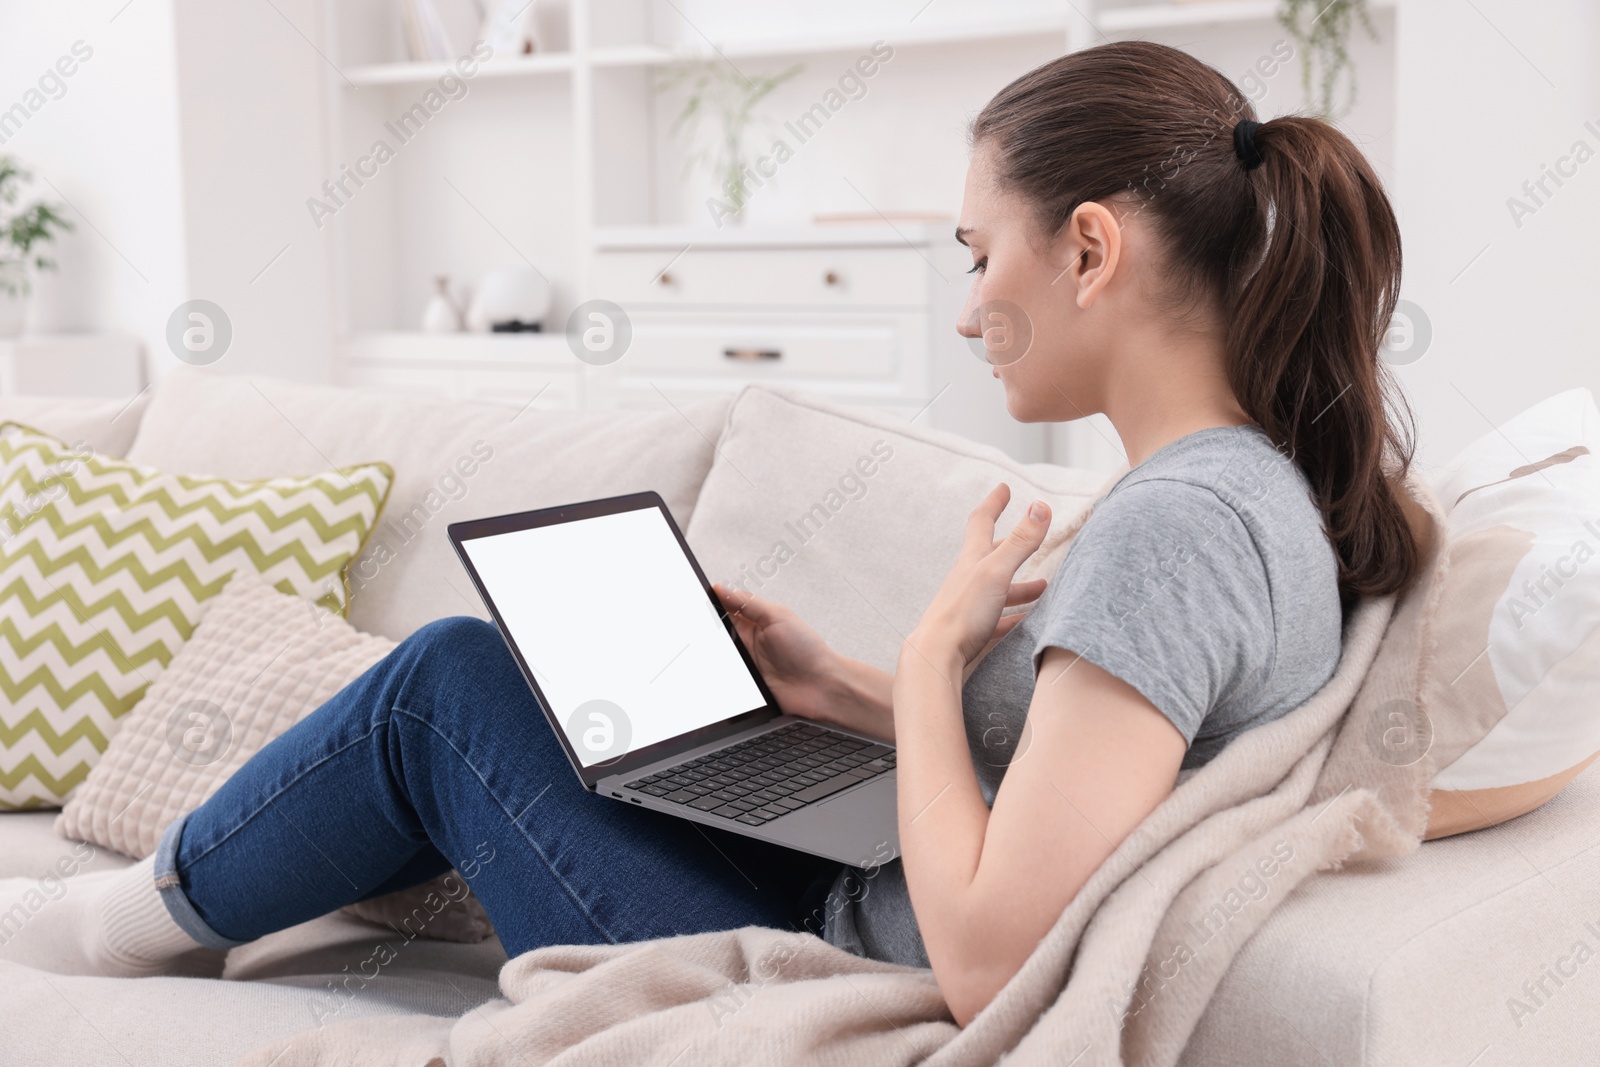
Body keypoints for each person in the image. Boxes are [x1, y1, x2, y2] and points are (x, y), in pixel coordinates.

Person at [0, 39, 1423, 1027]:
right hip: (862, 888)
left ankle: (125, 920)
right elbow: (1076, 783)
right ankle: (199, 896)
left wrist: (929, 666)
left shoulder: (1173, 530)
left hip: (830, 968)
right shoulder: (1252, 490)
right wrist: (841, 689)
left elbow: (994, 962)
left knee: (445, 690)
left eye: (981, 254)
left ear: (1094, 250)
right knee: (594, 717)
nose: (964, 305)